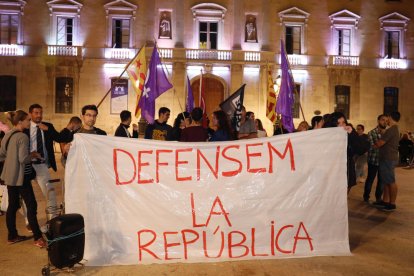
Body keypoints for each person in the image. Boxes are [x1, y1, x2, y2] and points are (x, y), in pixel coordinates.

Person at [0, 110, 46, 247]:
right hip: (22, 177)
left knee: (13, 206)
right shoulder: (22, 136)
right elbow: (23, 159)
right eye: (27, 120)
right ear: (20, 121)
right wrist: (33, 155)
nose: (29, 122)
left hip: (10, 176)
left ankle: (12, 236)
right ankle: (38, 238)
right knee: (32, 205)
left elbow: (1, 154)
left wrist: (11, 160)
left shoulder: (8, 134)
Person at [25, 103, 63, 225]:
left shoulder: (48, 126)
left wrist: (48, 130)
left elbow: (59, 138)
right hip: (27, 165)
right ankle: (28, 221)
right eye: (36, 113)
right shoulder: (25, 127)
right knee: (27, 196)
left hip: (41, 165)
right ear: (30, 114)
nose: (39, 115)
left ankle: (52, 220)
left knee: (50, 192)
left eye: (40, 113)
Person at [324, 112, 369, 193]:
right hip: (331, 172)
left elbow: (361, 149)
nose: (341, 126)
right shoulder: (327, 135)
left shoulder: (350, 134)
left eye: (343, 122)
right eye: (338, 123)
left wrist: (352, 133)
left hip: (346, 171)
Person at [375, 111, 401, 212]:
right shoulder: (394, 129)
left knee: (391, 181)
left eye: (387, 118)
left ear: (390, 117)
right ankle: (386, 201)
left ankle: (392, 203)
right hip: (387, 158)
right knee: (386, 181)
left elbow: (380, 143)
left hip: (388, 159)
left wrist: (374, 145)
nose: (386, 120)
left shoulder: (392, 129)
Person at [363, 115, 387, 203]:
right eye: (382, 120)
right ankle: (366, 197)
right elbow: (373, 146)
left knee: (381, 181)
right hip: (373, 160)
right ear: (378, 121)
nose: (384, 122)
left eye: (386, 120)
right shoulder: (371, 133)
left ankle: (378, 198)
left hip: (383, 161)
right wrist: (383, 143)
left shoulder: (388, 133)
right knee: (370, 179)